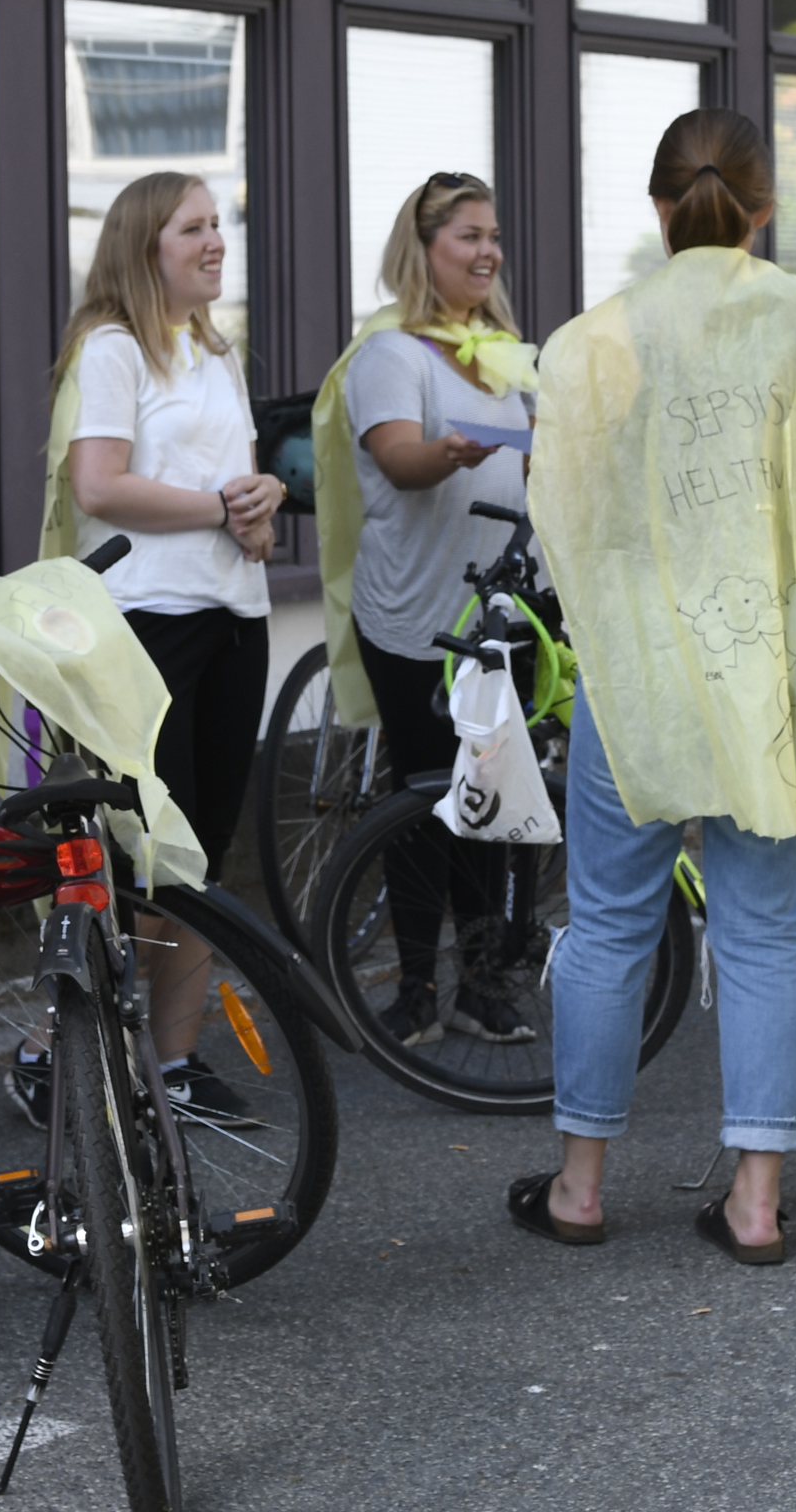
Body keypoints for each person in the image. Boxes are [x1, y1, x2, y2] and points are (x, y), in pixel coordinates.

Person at [511, 109, 796, 1264]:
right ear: (763, 208)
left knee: (607, 928)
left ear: (658, 204)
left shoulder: (594, 339)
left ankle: (580, 1189)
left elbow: (569, 516)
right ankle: (756, 1203)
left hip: (635, 672)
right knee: (764, 935)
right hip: (757, 671)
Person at [37, 169, 284, 1123]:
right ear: (146, 246)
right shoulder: (112, 348)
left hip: (234, 615)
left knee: (201, 859)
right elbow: (99, 486)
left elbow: (239, 493)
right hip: (148, 625)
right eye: (194, 228)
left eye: (219, 223)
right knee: (146, 858)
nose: (216, 241)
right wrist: (222, 507)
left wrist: (260, 509)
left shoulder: (215, 350)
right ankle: (59, 1052)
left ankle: (173, 1066)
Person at [310, 172, 538, 1047]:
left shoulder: (500, 352)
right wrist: (450, 453)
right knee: (424, 801)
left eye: (493, 236)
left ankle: (479, 986)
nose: (489, 252)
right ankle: (414, 991)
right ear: (424, 248)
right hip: (415, 615)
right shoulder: (392, 355)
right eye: (468, 236)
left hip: (498, 612)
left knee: (491, 795)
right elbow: (400, 461)